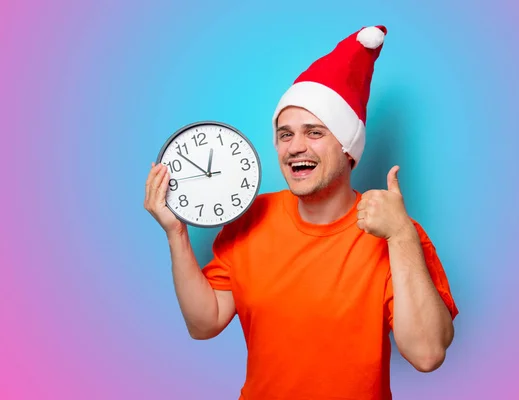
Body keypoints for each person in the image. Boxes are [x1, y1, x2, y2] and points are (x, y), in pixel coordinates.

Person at [144, 25, 459, 400]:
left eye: (314, 132)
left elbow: (426, 354)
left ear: (348, 148)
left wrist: (401, 236)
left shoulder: (394, 232)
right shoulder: (252, 218)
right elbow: (205, 322)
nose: (295, 147)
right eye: (285, 134)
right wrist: (176, 233)